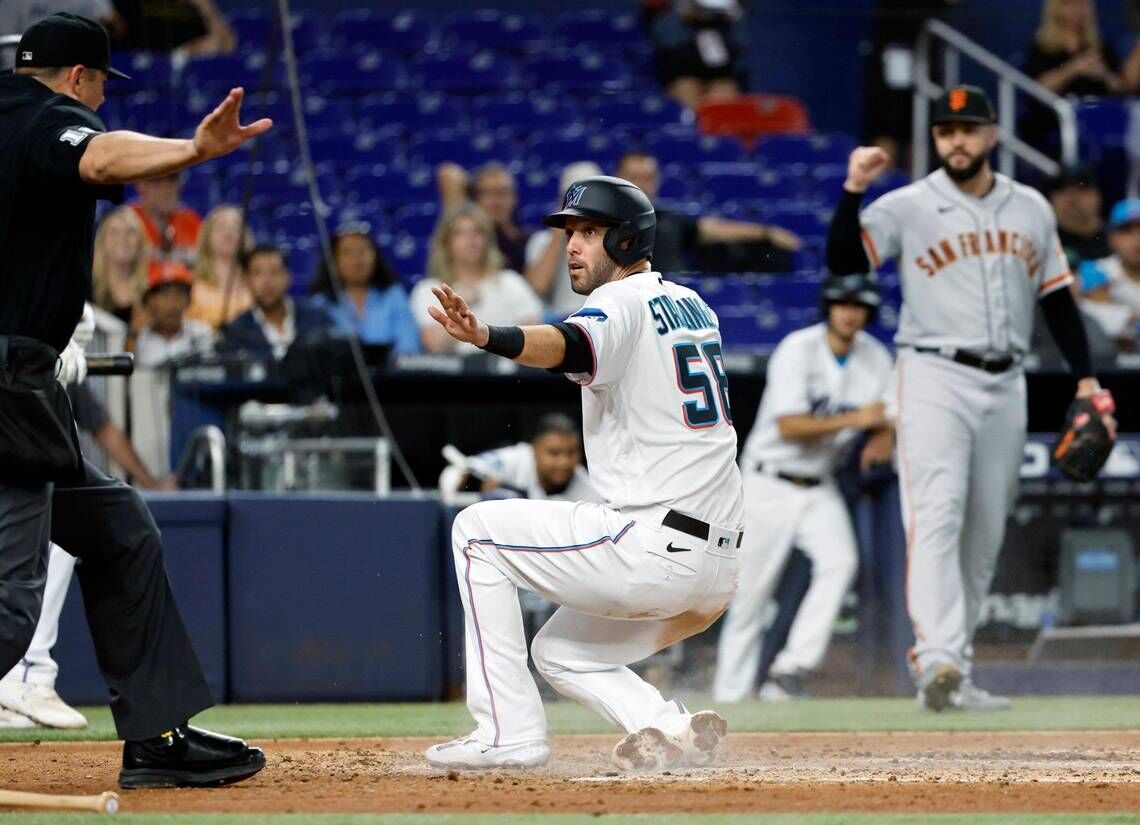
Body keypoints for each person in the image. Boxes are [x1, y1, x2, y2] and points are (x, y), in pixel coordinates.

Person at [0, 12, 269, 785]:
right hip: (9, 385)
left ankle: (154, 736)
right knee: (12, 604)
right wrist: (191, 148)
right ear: (82, 79)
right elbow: (97, 156)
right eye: (98, 89)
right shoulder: (51, 119)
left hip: (27, 376)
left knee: (119, 528)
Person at [423, 175, 744, 772]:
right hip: (716, 568)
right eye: (570, 232)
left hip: (655, 545)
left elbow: (570, 346)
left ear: (626, 240)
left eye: (590, 233)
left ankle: (506, 735)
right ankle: (670, 728)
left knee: (475, 530)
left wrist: (487, 335)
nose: (573, 245)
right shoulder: (692, 303)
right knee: (562, 651)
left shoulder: (620, 302)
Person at [826, 85, 1118, 712]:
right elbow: (845, 259)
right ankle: (933, 656)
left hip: (1007, 381)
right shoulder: (909, 205)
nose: (956, 139)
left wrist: (1086, 378)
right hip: (934, 373)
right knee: (938, 512)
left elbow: (1058, 298)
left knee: (984, 529)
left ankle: (953, 670)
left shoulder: (1031, 207)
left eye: (968, 128)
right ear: (936, 139)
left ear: (990, 136)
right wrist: (853, 191)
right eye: (945, 130)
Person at [713, 273, 893, 703]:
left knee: (840, 562)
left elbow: (891, 411)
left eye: (858, 306)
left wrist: (885, 431)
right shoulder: (798, 349)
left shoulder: (875, 357)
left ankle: (790, 671)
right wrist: (859, 420)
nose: (849, 312)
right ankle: (729, 695)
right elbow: (791, 426)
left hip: (819, 486)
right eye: (842, 304)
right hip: (767, 481)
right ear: (828, 307)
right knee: (751, 595)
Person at [615, 151, 803, 273]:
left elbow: (710, 229)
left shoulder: (668, 219)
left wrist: (766, 233)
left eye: (648, 178)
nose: (641, 185)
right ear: (617, 178)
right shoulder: (601, 221)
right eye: (634, 177)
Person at [410, 204, 542, 355]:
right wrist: (457, 315)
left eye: (477, 231)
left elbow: (535, 336)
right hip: (451, 375)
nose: (471, 239)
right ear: (446, 242)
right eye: (460, 233)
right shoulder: (430, 289)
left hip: (508, 372)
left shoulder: (510, 282)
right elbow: (433, 344)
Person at [1022, 0, 1140, 147]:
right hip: (1056, 126)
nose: (1076, 10)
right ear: (1056, 9)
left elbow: (1122, 88)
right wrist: (1074, 69)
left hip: (1101, 127)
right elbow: (1037, 90)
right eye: (1069, 4)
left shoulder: (1100, 48)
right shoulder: (1043, 49)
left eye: (1082, 5)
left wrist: (1104, 75)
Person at [438, 413, 601, 506]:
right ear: (534, 450)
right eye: (554, 453)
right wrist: (468, 486)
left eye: (571, 453)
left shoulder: (589, 491)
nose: (564, 462)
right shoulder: (516, 458)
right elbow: (454, 473)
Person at [309, 223, 419, 353]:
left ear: (375, 257)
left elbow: (408, 345)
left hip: (392, 371)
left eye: (363, 250)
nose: (357, 259)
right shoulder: (321, 303)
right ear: (333, 263)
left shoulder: (394, 295)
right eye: (347, 252)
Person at [220, 243, 334, 360]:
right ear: (246, 280)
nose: (267, 281)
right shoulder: (236, 332)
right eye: (257, 273)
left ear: (288, 277)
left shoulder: (318, 319)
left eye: (274, 271)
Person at [524, 161, 603, 319]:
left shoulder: (611, 238)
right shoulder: (541, 240)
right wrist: (559, 232)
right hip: (561, 322)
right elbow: (537, 286)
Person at [642, 0, 748, 110]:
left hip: (718, 75)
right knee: (686, 89)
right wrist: (683, 18)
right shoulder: (672, 15)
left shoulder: (725, 19)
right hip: (682, 74)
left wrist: (731, 17)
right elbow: (666, 40)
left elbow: (739, 49)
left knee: (724, 92)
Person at [438, 162, 532, 275]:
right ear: (476, 199)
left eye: (503, 192)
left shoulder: (528, 241)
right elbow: (448, 175)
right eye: (488, 193)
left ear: (514, 198)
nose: (496, 201)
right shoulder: (472, 240)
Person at [132, 260, 215, 367]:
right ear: (149, 301)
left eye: (179, 295)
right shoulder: (138, 338)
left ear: (188, 300)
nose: (172, 304)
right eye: (165, 295)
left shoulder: (202, 335)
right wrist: (133, 336)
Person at [187, 204, 254, 329]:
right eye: (221, 227)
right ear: (207, 236)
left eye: (235, 227)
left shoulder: (256, 283)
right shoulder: (189, 283)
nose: (228, 232)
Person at [90, 204, 150, 327]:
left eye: (130, 232)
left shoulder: (151, 291)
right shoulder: (86, 289)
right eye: (114, 232)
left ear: (140, 244)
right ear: (102, 242)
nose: (122, 238)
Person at [130, 171, 202, 268]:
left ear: (179, 184)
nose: (166, 190)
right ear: (141, 185)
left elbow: (207, 261)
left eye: (172, 180)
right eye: (157, 182)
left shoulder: (190, 221)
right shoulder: (127, 221)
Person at [112, 0, 235, 56]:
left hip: (190, 60)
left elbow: (228, 42)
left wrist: (212, 41)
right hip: (144, 63)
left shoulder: (198, 5)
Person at [1049, 164, 1110, 269]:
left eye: (1082, 189)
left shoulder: (1117, 238)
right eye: (1064, 190)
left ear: (1098, 196)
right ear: (1052, 198)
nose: (1072, 198)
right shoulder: (1044, 240)